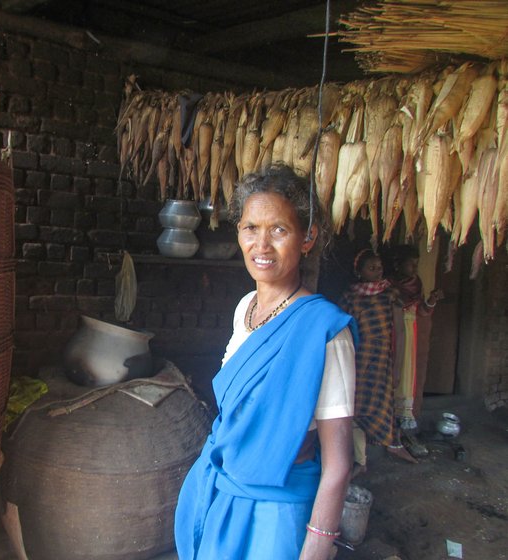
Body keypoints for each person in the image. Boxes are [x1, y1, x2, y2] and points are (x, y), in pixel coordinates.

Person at [174, 165, 357, 560]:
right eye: (250, 228)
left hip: (278, 512)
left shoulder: (325, 332)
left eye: (279, 230)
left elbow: (339, 465)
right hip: (221, 492)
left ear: (308, 238)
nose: (262, 245)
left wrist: (317, 548)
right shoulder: (245, 309)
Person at [338, 249, 417, 475]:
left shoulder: (390, 294)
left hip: (381, 361)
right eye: (371, 268)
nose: (377, 271)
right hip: (357, 359)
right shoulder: (350, 297)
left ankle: (391, 446)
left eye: (379, 267)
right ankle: (360, 460)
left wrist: (398, 367)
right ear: (359, 272)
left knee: (380, 407)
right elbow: (341, 328)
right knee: (354, 408)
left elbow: (400, 331)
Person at [388, 245, 444, 434]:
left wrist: (431, 300)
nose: (414, 268)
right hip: (392, 332)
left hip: (410, 333)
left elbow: (421, 311)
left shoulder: (416, 284)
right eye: (410, 264)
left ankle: (402, 416)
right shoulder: (388, 284)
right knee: (391, 368)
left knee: (406, 373)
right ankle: (386, 415)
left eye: (416, 264)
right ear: (398, 264)